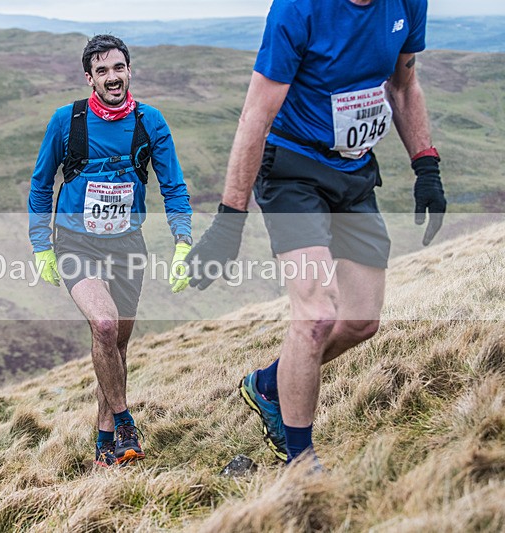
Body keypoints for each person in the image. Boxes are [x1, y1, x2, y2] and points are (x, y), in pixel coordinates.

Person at [183, 0, 446, 466]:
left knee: (362, 322)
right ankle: (300, 463)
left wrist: (425, 165)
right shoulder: (297, 9)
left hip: (355, 170)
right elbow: (256, 117)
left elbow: (403, 87)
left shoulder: (408, 2)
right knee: (317, 315)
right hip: (292, 170)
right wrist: (229, 221)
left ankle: (269, 384)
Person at [28, 34, 193, 467]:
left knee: (116, 345)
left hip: (127, 244)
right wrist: (41, 245)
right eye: (102, 71)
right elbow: (41, 184)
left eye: (118, 67)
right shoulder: (67, 121)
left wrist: (183, 241)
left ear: (129, 70)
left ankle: (104, 444)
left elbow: (173, 185)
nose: (112, 77)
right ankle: (124, 421)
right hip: (76, 241)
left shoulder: (150, 121)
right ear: (90, 78)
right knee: (103, 324)